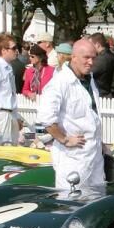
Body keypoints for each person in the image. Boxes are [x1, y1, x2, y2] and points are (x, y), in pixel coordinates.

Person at [40, 38, 104, 191]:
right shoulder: (60, 82)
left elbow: (92, 115)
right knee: (71, 204)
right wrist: (65, 139)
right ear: (74, 56)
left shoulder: (90, 80)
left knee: (96, 203)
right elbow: (46, 118)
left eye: (93, 58)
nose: (90, 62)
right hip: (73, 159)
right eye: (86, 57)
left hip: (94, 156)